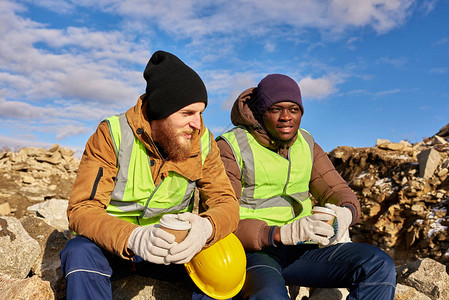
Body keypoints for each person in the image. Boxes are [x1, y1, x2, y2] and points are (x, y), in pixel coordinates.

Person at [60, 50, 240, 299]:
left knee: (225, 264)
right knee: (79, 251)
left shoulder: (203, 142)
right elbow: (82, 208)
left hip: (174, 249)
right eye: (187, 113)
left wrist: (206, 228)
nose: (197, 124)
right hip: (114, 246)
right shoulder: (112, 133)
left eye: (200, 113)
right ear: (160, 112)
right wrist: (133, 237)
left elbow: (226, 203)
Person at [216, 74, 396, 299]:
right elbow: (222, 218)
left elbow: (339, 192)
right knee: (269, 295)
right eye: (275, 109)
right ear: (261, 111)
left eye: (294, 109)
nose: (286, 117)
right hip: (254, 251)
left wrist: (344, 214)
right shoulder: (230, 147)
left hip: (302, 248)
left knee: (377, 265)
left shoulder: (306, 143)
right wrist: (278, 233)